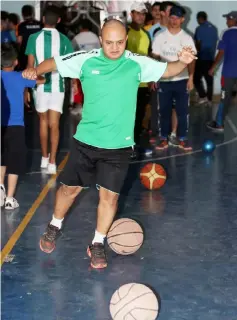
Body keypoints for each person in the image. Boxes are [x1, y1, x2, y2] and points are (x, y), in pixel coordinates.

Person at [22, 19, 196, 269]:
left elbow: (168, 70)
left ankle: (98, 242)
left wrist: (183, 62)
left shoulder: (136, 63)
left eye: (120, 42)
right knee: (69, 190)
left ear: (126, 40)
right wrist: (35, 70)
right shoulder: (86, 59)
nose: (115, 48)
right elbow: (54, 63)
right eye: (109, 42)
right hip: (86, 142)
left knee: (110, 199)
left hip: (119, 147)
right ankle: (54, 225)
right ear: (101, 40)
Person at [25, 5, 74, 174]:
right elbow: (70, 65)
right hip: (58, 86)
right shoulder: (65, 40)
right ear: (59, 21)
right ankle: (53, 162)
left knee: (43, 123)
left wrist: (27, 87)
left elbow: (30, 67)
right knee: (55, 124)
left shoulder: (33, 38)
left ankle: (44, 158)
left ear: (43, 19)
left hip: (39, 87)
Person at [1, 43, 45, 209]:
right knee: (15, 162)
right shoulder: (21, 77)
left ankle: (0, 188)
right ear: (16, 61)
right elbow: (42, 80)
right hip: (16, 127)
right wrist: (31, 72)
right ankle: (10, 198)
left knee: (2, 157)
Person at [152, 5, 196, 151]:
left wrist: (190, 78)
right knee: (163, 111)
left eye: (177, 17)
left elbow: (192, 60)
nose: (174, 20)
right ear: (168, 17)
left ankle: (182, 138)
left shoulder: (187, 38)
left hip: (181, 81)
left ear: (182, 19)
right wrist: (154, 77)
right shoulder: (160, 37)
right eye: (172, 17)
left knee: (182, 111)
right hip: (164, 81)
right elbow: (155, 58)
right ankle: (163, 138)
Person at [207, 11, 237, 132]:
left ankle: (219, 124)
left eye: (228, 19)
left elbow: (221, 53)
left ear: (234, 20)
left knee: (225, 98)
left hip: (229, 72)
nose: (226, 21)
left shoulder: (226, 33)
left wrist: (213, 67)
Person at [127, 2, 151, 149]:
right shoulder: (124, 32)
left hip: (141, 83)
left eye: (143, 13)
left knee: (138, 116)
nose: (141, 16)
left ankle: (132, 146)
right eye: (138, 13)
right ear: (132, 14)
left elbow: (146, 59)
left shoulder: (145, 36)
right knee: (126, 116)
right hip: (127, 83)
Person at [194, 11, 218, 105]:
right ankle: (209, 99)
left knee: (196, 79)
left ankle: (203, 96)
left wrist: (195, 54)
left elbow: (198, 44)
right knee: (209, 80)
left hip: (201, 57)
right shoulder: (214, 28)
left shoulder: (199, 29)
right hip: (211, 58)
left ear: (199, 19)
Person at [17, 5, 42, 70]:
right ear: (32, 13)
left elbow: (19, 41)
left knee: (25, 72)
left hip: (25, 53)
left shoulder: (21, 25)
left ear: (22, 14)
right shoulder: (40, 24)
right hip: (38, 52)